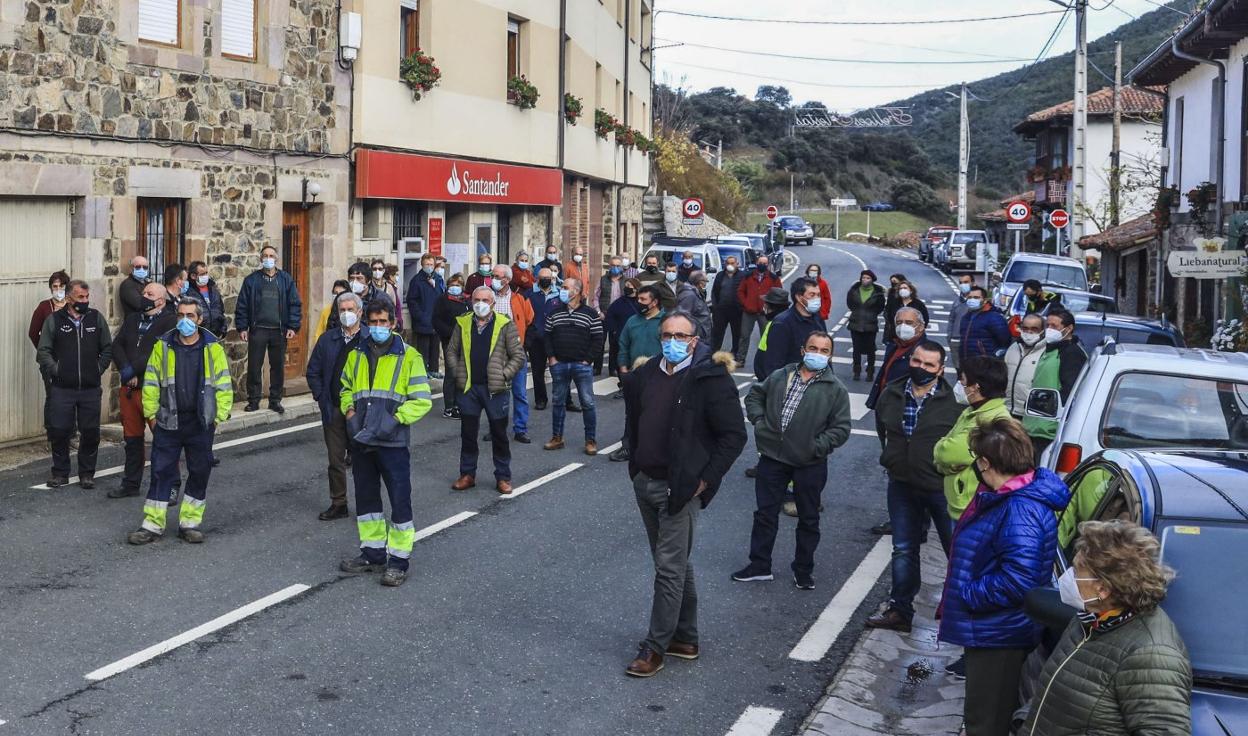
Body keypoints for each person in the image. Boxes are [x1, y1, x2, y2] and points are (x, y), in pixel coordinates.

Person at [622, 311, 747, 677]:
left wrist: (704, 481)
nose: (673, 341)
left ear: (695, 340)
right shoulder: (645, 374)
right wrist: (635, 463)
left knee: (669, 569)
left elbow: (733, 437)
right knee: (675, 565)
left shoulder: (710, 378)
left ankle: (655, 647)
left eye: (681, 336)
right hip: (646, 481)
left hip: (682, 488)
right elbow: (633, 422)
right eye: (667, 335)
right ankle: (686, 638)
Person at [938, 418, 1070, 736]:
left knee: (986, 723)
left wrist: (967, 594)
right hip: (995, 628)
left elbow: (1018, 579)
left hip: (998, 633)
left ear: (985, 462)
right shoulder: (1012, 498)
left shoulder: (1018, 509)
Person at [1020, 521, 1192, 736]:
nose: (1069, 577)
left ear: (1102, 588)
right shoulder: (1091, 618)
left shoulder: (1151, 654)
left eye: (1077, 572)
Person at [735, 331, 851, 589]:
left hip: (810, 463)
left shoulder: (836, 390)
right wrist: (760, 422)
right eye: (813, 348)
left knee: (808, 519)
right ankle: (759, 565)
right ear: (803, 350)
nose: (817, 354)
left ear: (830, 355)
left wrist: (815, 447)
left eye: (824, 350)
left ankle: (803, 570)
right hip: (773, 458)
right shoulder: (782, 375)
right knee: (765, 514)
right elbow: (754, 396)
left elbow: (841, 429)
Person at [864, 340, 962, 631]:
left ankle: (959, 616)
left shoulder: (953, 404)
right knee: (903, 548)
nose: (921, 368)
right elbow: (884, 430)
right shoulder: (892, 393)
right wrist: (892, 460)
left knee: (955, 551)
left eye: (929, 365)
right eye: (917, 362)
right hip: (902, 484)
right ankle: (900, 612)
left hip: (939, 487)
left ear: (941, 370)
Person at [337, 299, 433, 588]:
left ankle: (399, 562)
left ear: (393, 323)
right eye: (374, 322)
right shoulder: (356, 354)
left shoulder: (410, 356)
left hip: (392, 443)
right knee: (366, 501)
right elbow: (345, 388)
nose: (378, 327)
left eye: (383, 322)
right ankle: (373, 553)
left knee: (399, 501)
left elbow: (422, 400)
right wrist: (349, 412)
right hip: (363, 439)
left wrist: (395, 420)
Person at [124, 297, 233, 545]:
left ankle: (190, 523)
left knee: (199, 470)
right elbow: (151, 381)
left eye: (190, 316)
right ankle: (152, 525)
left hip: (200, 423)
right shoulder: (163, 346)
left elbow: (224, 384)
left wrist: (218, 417)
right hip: (168, 420)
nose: (185, 321)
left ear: (200, 319)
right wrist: (151, 415)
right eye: (181, 315)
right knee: (161, 471)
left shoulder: (212, 347)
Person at [447, 286, 525, 494]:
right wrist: (458, 373)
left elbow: (518, 356)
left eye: (484, 300)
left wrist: (504, 374)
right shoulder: (462, 323)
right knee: (468, 434)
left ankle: (503, 476)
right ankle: (467, 474)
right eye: (476, 299)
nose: (480, 303)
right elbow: (451, 351)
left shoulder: (505, 324)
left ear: (492, 303)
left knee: (499, 434)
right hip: (469, 389)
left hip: (495, 390)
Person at [36, 280, 112, 488]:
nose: (85, 301)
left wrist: (98, 369)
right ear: (69, 298)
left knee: (90, 432)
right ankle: (60, 473)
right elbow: (43, 350)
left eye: (87, 297)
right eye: (81, 297)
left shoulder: (96, 319)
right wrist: (56, 370)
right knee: (59, 430)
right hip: (62, 388)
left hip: (89, 388)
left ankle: (87, 473)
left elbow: (107, 348)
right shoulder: (54, 320)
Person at [109, 282, 178, 499]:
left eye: (149, 293)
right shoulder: (133, 319)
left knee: (164, 441)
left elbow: (156, 353)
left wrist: (132, 370)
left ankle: (172, 485)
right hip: (130, 391)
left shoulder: (170, 322)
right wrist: (126, 371)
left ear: (160, 300)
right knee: (132, 440)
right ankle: (130, 484)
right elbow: (117, 345)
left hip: (153, 390)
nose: (143, 296)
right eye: (143, 292)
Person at [306, 292, 365, 521]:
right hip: (333, 408)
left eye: (351, 310)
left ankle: (366, 503)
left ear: (360, 312)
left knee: (362, 460)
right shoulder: (327, 339)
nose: (347, 314)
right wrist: (322, 398)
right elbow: (313, 371)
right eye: (342, 310)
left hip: (360, 411)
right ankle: (338, 502)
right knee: (335, 460)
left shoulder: (368, 340)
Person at [933, 355, 1013, 522]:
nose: (959, 384)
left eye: (962, 379)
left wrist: (942, 452)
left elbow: (947, 453)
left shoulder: (992, 419)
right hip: (963, 504)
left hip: (972, 507)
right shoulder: (972, 411)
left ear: (975, 386)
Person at [235, 244, 303, 413]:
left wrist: (293, 326)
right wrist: (243, 327)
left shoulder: (286, 280)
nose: (268, 259)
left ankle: (275, 400)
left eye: (271, 255)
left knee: (278, 367)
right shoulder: (251, 281)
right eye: (265, 255)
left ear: (276, 258)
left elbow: (294, 304)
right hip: (258, 330)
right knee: (254, 367)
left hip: (279, 331)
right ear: (260, 259)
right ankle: (254, 400)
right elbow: (242, 305)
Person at [542, 278, 604, 455]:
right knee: (558, 402)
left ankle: (590, 440)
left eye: (565, 287)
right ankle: (557, 437)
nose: (561, 290)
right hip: (559, 364)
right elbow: (547, 336)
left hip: (581, 365)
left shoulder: (590, 314)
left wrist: (588, 360)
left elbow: (598, 338)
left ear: (576, 291)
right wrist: (552, 358)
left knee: (587, 402)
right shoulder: (554, 313)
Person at [1022, 309, 1088, 462]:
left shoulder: (1071, 353)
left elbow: (1070, 391)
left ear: (1069, 328)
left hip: (1049, 429)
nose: (1049, 329)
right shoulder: (1051, 349)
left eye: (1054, 326)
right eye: (1048, 325)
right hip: (1035, 425)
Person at [490, 264, 536, 443]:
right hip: (494, 354)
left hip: (516, 353)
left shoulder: (520, 299)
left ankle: (520, 429)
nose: (493, 278)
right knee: (495, 393)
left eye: (496, 275)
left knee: (519, 393)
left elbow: (530, 322)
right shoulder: (487, 298)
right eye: (493, 275)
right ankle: (496, 428)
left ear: (507, 280)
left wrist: (524, 346)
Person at [29, 270, 72, 431]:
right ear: (50, 288)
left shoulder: (72, 306)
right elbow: (33, 332)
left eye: (61, 286)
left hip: (70, 360)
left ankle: (71, 432)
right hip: (50, 361)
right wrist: (44, 351)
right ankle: (52, 433)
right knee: (53, 395)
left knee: (71, 396)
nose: (58, 289)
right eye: (55, 286)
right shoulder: (44, 308)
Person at [758, 277, 826, 378]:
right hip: (792, 383)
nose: (817, 299)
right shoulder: (782, 323)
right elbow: (774, 364)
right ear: (799, 297)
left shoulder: (818, 319)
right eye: (812, 295)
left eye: (818, 295)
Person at [866, 306, 926, 409]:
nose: (903, 326)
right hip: (886, 406)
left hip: (904, 410)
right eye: (899, 323)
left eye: (909, 323)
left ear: (921, 326)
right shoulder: (895, 346)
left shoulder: (926, 351)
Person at [433, 273, 470, 419]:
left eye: (458, 285)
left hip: (465, 341)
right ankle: (449, 406)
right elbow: (436, 320)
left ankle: (458, 404)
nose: (455, 288)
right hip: (449, 340)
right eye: (452, 285)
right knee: (451, 372)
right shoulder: (442, 300)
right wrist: (451, 333)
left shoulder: (466, 301)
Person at [405, 253, 445, 380]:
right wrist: (421, 316)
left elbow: (442, 296)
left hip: (436, 320)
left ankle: (434, 369)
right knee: (423, 348)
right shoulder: (417, 280)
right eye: (427, 264)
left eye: (431, 264)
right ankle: (423, 370)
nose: (429, 266)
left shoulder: (438, 279)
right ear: (422, 265)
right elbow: (412, 301)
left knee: (435, 347)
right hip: (423, 321)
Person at [737, 254, 782, 360]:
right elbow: (740, 291)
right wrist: (745, 303)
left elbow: (778, 293)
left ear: (768, 264)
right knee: (744, 336)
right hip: (749, 311)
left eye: (765, 263)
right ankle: (740, 358)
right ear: (757, 263)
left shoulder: (773, 278)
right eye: (761, 263)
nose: (762, 265)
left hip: (765, 313)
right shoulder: (748, 276)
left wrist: (771, 307)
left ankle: (766, 359)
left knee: (766, 337)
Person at [526, 267, 560, 411]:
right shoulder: (529, 294)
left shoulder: (559, 293)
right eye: (542, 277)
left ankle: (564, 399)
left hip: (555, 337)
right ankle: (541, 399)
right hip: (537, 338)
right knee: (537, 371)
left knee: (559, 370)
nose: (546, 280)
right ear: (537, 279)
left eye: (548, 277)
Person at [1005, 313, 1047, 419]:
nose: (1029, 332)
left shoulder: (1047, 352)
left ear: (1042, 330)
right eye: (1025, 328)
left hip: (1029, 413)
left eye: (1034, 329)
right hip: (1007, 409)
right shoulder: (1013, 348)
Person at [846, 269, 886, 381]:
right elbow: (850, 304)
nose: (865, 280)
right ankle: (857, 371)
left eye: (868, 278)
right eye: (863, 277)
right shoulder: (854, 290)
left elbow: (880, 307)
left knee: (870, 349)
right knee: (856, 348)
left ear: (872, 280)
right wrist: (857, 312)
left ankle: (870, 372)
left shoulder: (877, 292)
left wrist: (871, 314)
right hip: (855, 323)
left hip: (870, 324)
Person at [958, 285, 1012, 363]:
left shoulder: (994, 318)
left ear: (985, 300)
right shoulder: (966, 317)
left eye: (976, 297)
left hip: (986, 364)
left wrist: (994, 358)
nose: (972, 300)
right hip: (967, 363)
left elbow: (1005, 341)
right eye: (969, 297)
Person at [604, 277, 641, 380]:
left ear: (636, 288)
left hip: (637, 337)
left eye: (629, 286)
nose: (626, 288)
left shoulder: (640, 302)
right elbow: (610, 316)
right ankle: (622, 383)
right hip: (621, 337)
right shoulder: (619, 302)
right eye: (625, 286)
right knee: (621, 360)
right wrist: (614, 331)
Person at [710, 255, 745, 358]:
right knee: (717, 333)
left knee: (737, 334)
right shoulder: (720, 275)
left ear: (737, 264)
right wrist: (715, 307)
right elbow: (715, 291)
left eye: (732, 263)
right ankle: (714, 353)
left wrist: (743, 306)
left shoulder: (742, 276)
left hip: (737, 311)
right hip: (721, 310)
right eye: (728, 263)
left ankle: (735, 353)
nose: (730, 265)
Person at [185, 261, 226, 337]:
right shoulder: (188, 293)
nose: (206, 276)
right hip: (197, 336)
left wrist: (223, 329)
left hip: (216, 335)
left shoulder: (213, 290)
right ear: (193, 276)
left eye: (206, 273)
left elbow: (221, 311)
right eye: (202, 274)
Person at [948, 274, 976, 368]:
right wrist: (949, 337)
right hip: (956, 340)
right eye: (961, 283)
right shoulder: (956, 302)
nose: (963, 285)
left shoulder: (977, 302)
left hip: (971, 341)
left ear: (973, 283)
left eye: (966, 282)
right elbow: (951, 320)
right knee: (959, 369)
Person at [676, 270, 712, 339]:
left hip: (700, 334)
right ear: (700, 282)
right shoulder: (689, 296)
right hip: (696, 336)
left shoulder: (695, 293)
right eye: (705, 281)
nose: (705, 284)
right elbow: (683, 317)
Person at [370, 258, 403, 333]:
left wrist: (395, 323)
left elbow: (394, 306)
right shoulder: (369, 287)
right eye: (374, 269)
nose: (377, 271)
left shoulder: (389, 287)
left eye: (380, 269)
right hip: (373, 321)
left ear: (383, 270)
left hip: (386, 322)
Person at [596, 254, 628, 321]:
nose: (615, 268)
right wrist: (599, 312)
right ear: (610, 266)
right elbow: (596, 297)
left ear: (621, 267)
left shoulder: (626, 281)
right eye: (613, 265)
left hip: (621, 315)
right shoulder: (602, 279)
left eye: (618, 266)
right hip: (605, 314)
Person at [882, 273, 908, 343]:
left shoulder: (905, 292)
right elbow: (889, 303)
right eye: (892, 283)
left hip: (901, 315)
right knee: (889, 329)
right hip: (890, 314)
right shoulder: (891, 291)